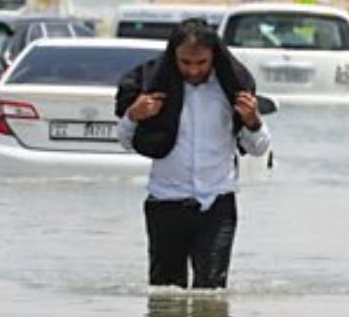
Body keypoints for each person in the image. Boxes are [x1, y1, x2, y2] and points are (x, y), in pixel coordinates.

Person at [115, 19, 271, 289]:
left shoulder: (231, 90)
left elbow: (258, 148)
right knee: (165, 293)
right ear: (172, 56)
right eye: (185, 62)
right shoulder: (154, 89)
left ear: (214, 57)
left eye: (201, 63)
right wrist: (133, 115)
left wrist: (253, 120)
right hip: (165, 203)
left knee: (210, 293)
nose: (193, 70)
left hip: (217, 205)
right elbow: (126, 142)